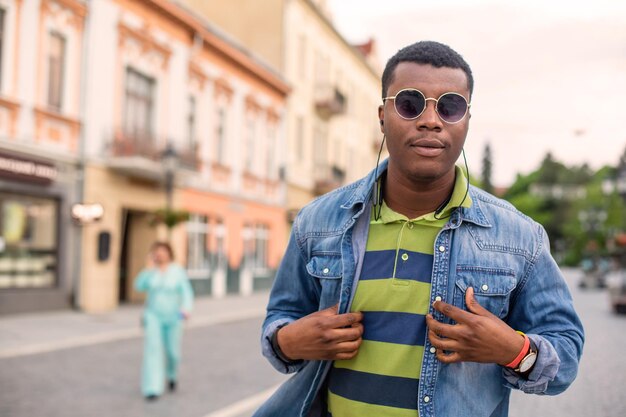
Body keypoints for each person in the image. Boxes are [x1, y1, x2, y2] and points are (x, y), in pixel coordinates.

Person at [253, 41, 584, 417]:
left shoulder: (520, 238)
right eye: (410, 104)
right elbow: (281, 320)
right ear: (382, 116)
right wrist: (289, 341)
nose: (430, 120)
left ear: (466, 121)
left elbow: (566, 357)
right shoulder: (318, 222)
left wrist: (514, 350)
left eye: (450, 106)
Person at [134, 241, 194, 401]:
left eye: (163, 251)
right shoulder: (150, 272)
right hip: (153, 316)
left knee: (173, 352)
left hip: (174, 317)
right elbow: (138, 286)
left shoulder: (177, 271)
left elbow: (187, 292)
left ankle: (172, 375)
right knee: (152, 350)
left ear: (169, 253)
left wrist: (186, 309)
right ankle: (152, 388)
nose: (160, 254)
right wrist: (147, 269)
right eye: (156, 251)